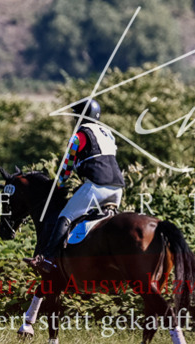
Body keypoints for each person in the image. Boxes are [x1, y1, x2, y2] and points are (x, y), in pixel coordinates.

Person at [25, 98, 125, 274]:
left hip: (97, 186)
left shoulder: (79, 136)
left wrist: (59, 185)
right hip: (117, 189)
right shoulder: (107, 133)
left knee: (66, 216)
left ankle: (47, 259)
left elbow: (66, 166)